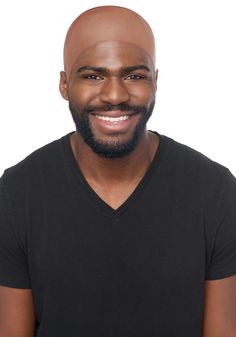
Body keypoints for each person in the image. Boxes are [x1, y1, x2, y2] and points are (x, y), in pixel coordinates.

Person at [0, 5, 235, 337]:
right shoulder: (16, 194)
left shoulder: (215, 192)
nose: (114, 95)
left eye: (134, 75)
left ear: (155, 81)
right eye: (93, 75)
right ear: (65, 85)